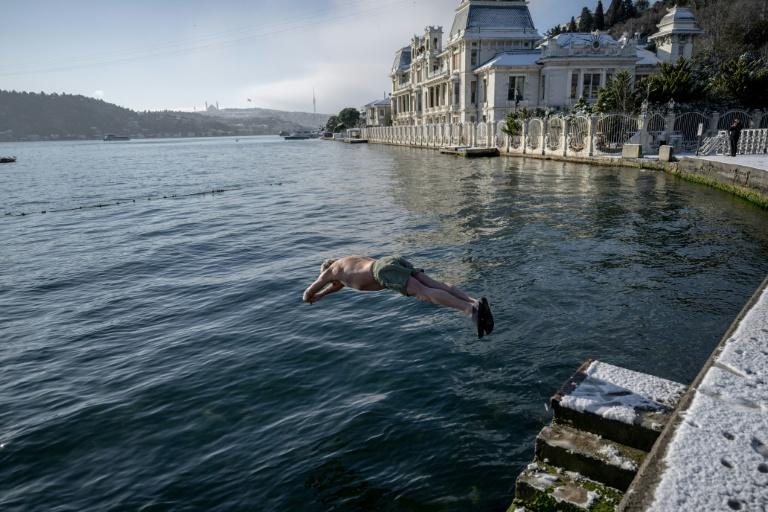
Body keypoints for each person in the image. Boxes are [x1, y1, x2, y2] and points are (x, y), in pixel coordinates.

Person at [302, 255, 494, 338]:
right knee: (435, 285)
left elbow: (307, 293)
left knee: (424, 293)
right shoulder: (346, 263)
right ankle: (473, 301)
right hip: (389, 261)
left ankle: (470, 310)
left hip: (382, 271)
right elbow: (339, 285)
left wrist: (312, 295)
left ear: (328, 271)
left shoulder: (331, 271)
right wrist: (323, 296)